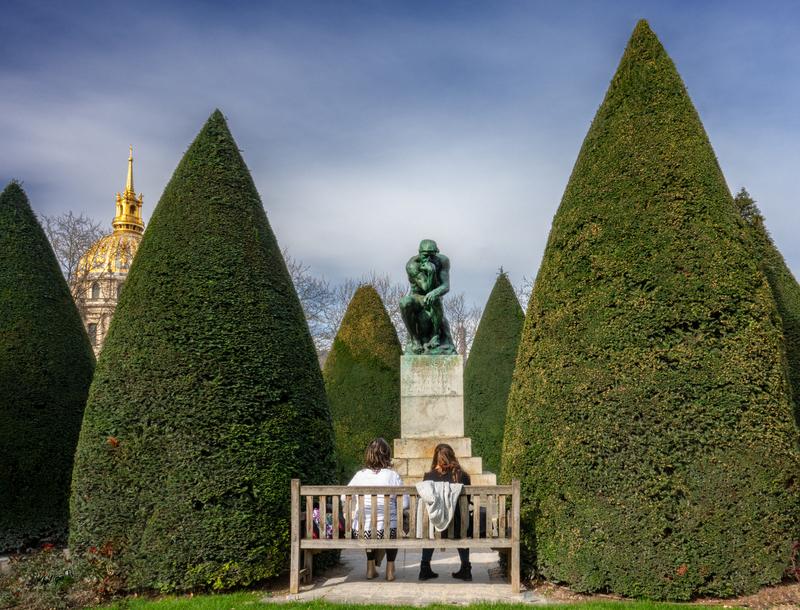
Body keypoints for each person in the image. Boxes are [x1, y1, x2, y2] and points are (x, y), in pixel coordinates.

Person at [346, 438, 408, 581]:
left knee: (369, 525)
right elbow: (404, 503)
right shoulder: (393, 476)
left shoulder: (360, 475)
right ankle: (390, 570)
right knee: (392, 525)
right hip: (388, 531)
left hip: (362, 531)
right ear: (387, 455)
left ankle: (370, 568)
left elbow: (345, 497)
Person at [419, 443, 472, 581]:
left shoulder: (428, 477)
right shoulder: (463, 476)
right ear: (453, 457)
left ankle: (424, 568)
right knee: (462, 521)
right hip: (459, 527)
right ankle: (466, 568)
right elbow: (468, 500)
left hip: (435, 527)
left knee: (429, 525)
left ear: (435, 459)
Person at [399, 239, 457, 355]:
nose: (429, 259)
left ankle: (435, 335)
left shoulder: (443, 260)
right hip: (417, 297)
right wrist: (431, 273)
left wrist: (435, 292)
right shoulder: (412, 265)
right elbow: (426, 288)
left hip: (434, 298)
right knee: (404, 302)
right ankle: (415, 340)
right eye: (425, 255)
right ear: (419, 253)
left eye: (432, 255)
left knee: (434, 297)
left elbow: (446, 286)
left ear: (436, 253)